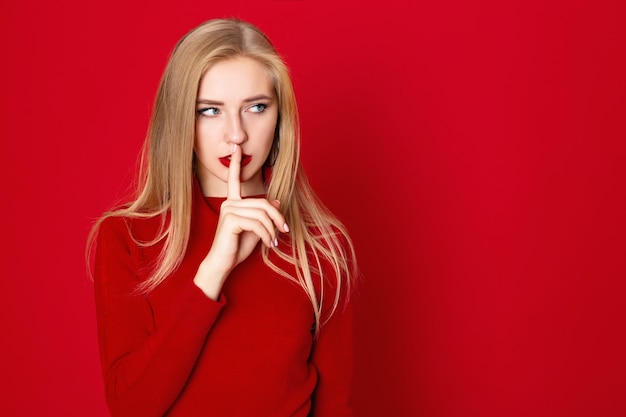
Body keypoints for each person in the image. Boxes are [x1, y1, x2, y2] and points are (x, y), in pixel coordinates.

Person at [87, 18, 358, 417]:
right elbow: (131, 407)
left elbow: (336, 407)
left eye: (256, 107)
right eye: (210, 110)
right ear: (181, 119)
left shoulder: (320, 247)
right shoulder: (129, 237)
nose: (236, 134)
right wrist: (213, 270)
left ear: (280, 118)